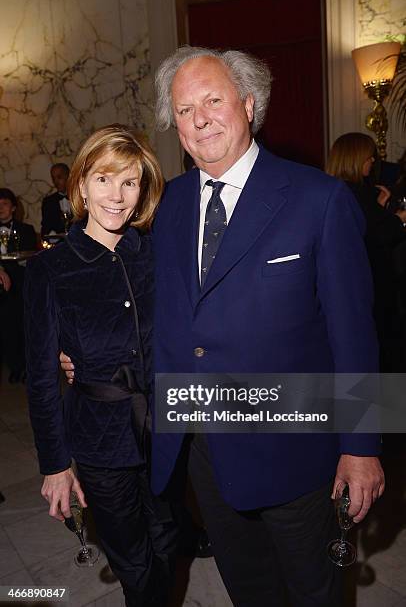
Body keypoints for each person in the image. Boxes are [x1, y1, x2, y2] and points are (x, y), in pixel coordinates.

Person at [63, 47, 385, 606]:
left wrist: (362, 447)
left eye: (213, 100)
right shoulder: (167, 204)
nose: (199, 118)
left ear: (248, 103)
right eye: (184, 110)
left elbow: (355, 335)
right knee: (249, 590)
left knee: (315, 593)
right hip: (206, 450)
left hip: (298, 449)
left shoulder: (320, 199)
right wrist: (82, 351)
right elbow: (144, 308)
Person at [25, 125, 177, 607]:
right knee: (133, 559)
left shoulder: (156, 255)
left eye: (130, 182)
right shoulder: (50, 269)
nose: (117, 195)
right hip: (99, 439)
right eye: (105, 179)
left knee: (171, 541)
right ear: (82, 185)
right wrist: (54, 465)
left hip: (168, 429)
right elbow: (41, 379)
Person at [326, 133, 406, 371]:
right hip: (371, 281)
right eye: (369, 157)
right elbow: (382, 232)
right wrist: (400, 219)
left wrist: (381, 209)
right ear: (357, 158)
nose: (372, 162)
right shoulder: (357, 193)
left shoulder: (332, 190)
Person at [0, 188, 37, 382]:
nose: (1, 208)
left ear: (13, 208)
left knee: (24, 326)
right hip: (1, 288)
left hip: (21, 283)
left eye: (5, 203)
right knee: (7, 328)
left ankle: (27, 367)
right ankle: (14, 367)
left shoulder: (26, 230)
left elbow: (31, 257)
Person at [41, 163, 71, 236]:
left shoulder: (80, 198)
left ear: (69, 176)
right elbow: (45, 227)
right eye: (53, 178)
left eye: (59, 177)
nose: (56, 182)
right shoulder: (48, 202)